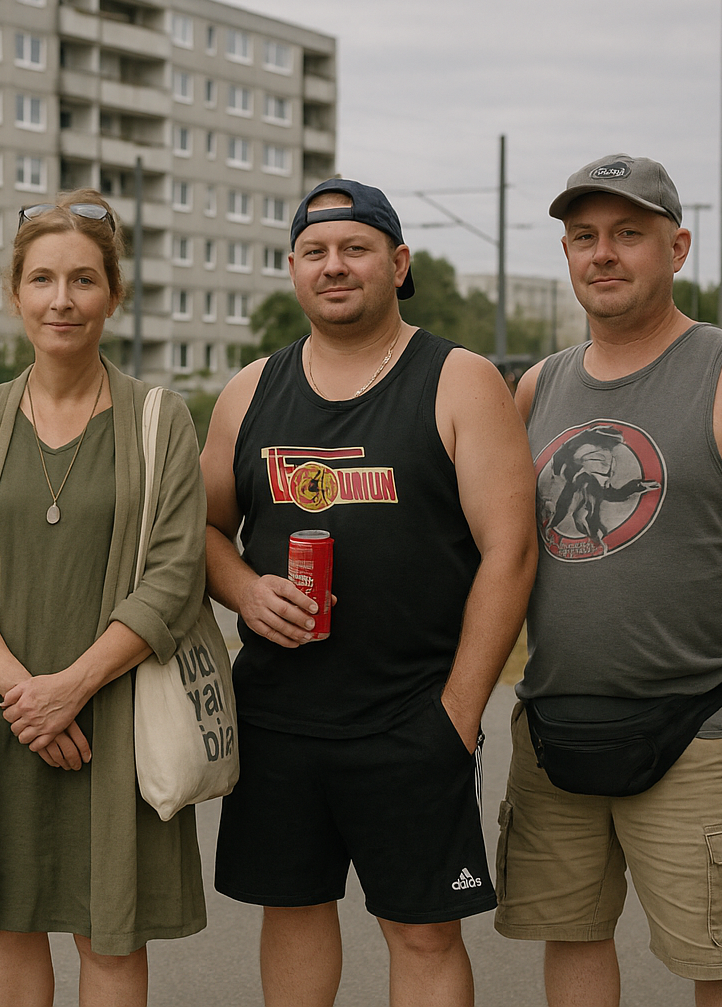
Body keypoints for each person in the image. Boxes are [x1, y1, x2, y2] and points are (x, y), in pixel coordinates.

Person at [494, 154, 722, 1006]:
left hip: (695, 729)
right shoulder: (538, 387)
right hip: (555, 722)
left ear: (676, 247)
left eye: (628, 235)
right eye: (584, 237)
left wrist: (707, 649)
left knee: (719, 961)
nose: (603, 254)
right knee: (571, 939)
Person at [200, 178, 538, 1007]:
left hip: (412, 713)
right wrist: (244, 590)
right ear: (292, 269)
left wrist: (459, 715)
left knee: (422, 931)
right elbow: (201, 533)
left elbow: (512, 552)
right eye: (315, 252)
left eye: (355, 248)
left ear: (398, 262)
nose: (335, 266)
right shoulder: (249, 391)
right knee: (294, 911)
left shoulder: (459, 379)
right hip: (279, 715)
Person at [0, 191, 209, 1007]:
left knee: (107, 933)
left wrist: (71, 689)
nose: (62, 300)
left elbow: (175, 577)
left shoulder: (161, 419)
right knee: (8, 927)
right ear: (16, 295)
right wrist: (26, 695)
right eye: (42, 279)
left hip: (112, 715)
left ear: (114, 293)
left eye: (83, 279)